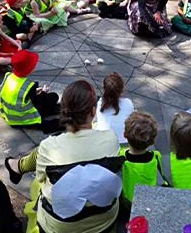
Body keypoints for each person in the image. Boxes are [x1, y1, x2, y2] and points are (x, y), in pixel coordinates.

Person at [26, 80, 121, 233]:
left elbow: (41, 178)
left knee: (37, 185)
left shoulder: (49, 146)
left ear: (63, 111)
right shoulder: (111, 139)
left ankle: (17, 166)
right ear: (92, 111)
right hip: (104, 221)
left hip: (61, 226)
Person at [0, 49, 61, 133]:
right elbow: (37, 101)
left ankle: (53, 111)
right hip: (23, 119)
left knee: (49, 101)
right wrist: (43, 92)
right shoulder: (29, 85)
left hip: (7, 114)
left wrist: (35, 92)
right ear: (29, 69)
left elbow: (15, 93)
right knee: (53, 96)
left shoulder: (8, 75)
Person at [119, 111, 163, 208]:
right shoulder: (156, 156)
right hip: (147, 197)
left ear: (124, 135)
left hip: (128, 199)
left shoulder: (122, 156)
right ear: (151, 141)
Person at [94, 72, 134, 143]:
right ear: (122, 89)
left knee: (94, 124)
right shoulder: (128, 103)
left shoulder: (100, 103)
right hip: (124, 145)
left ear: (104, 89)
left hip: (103, 145)